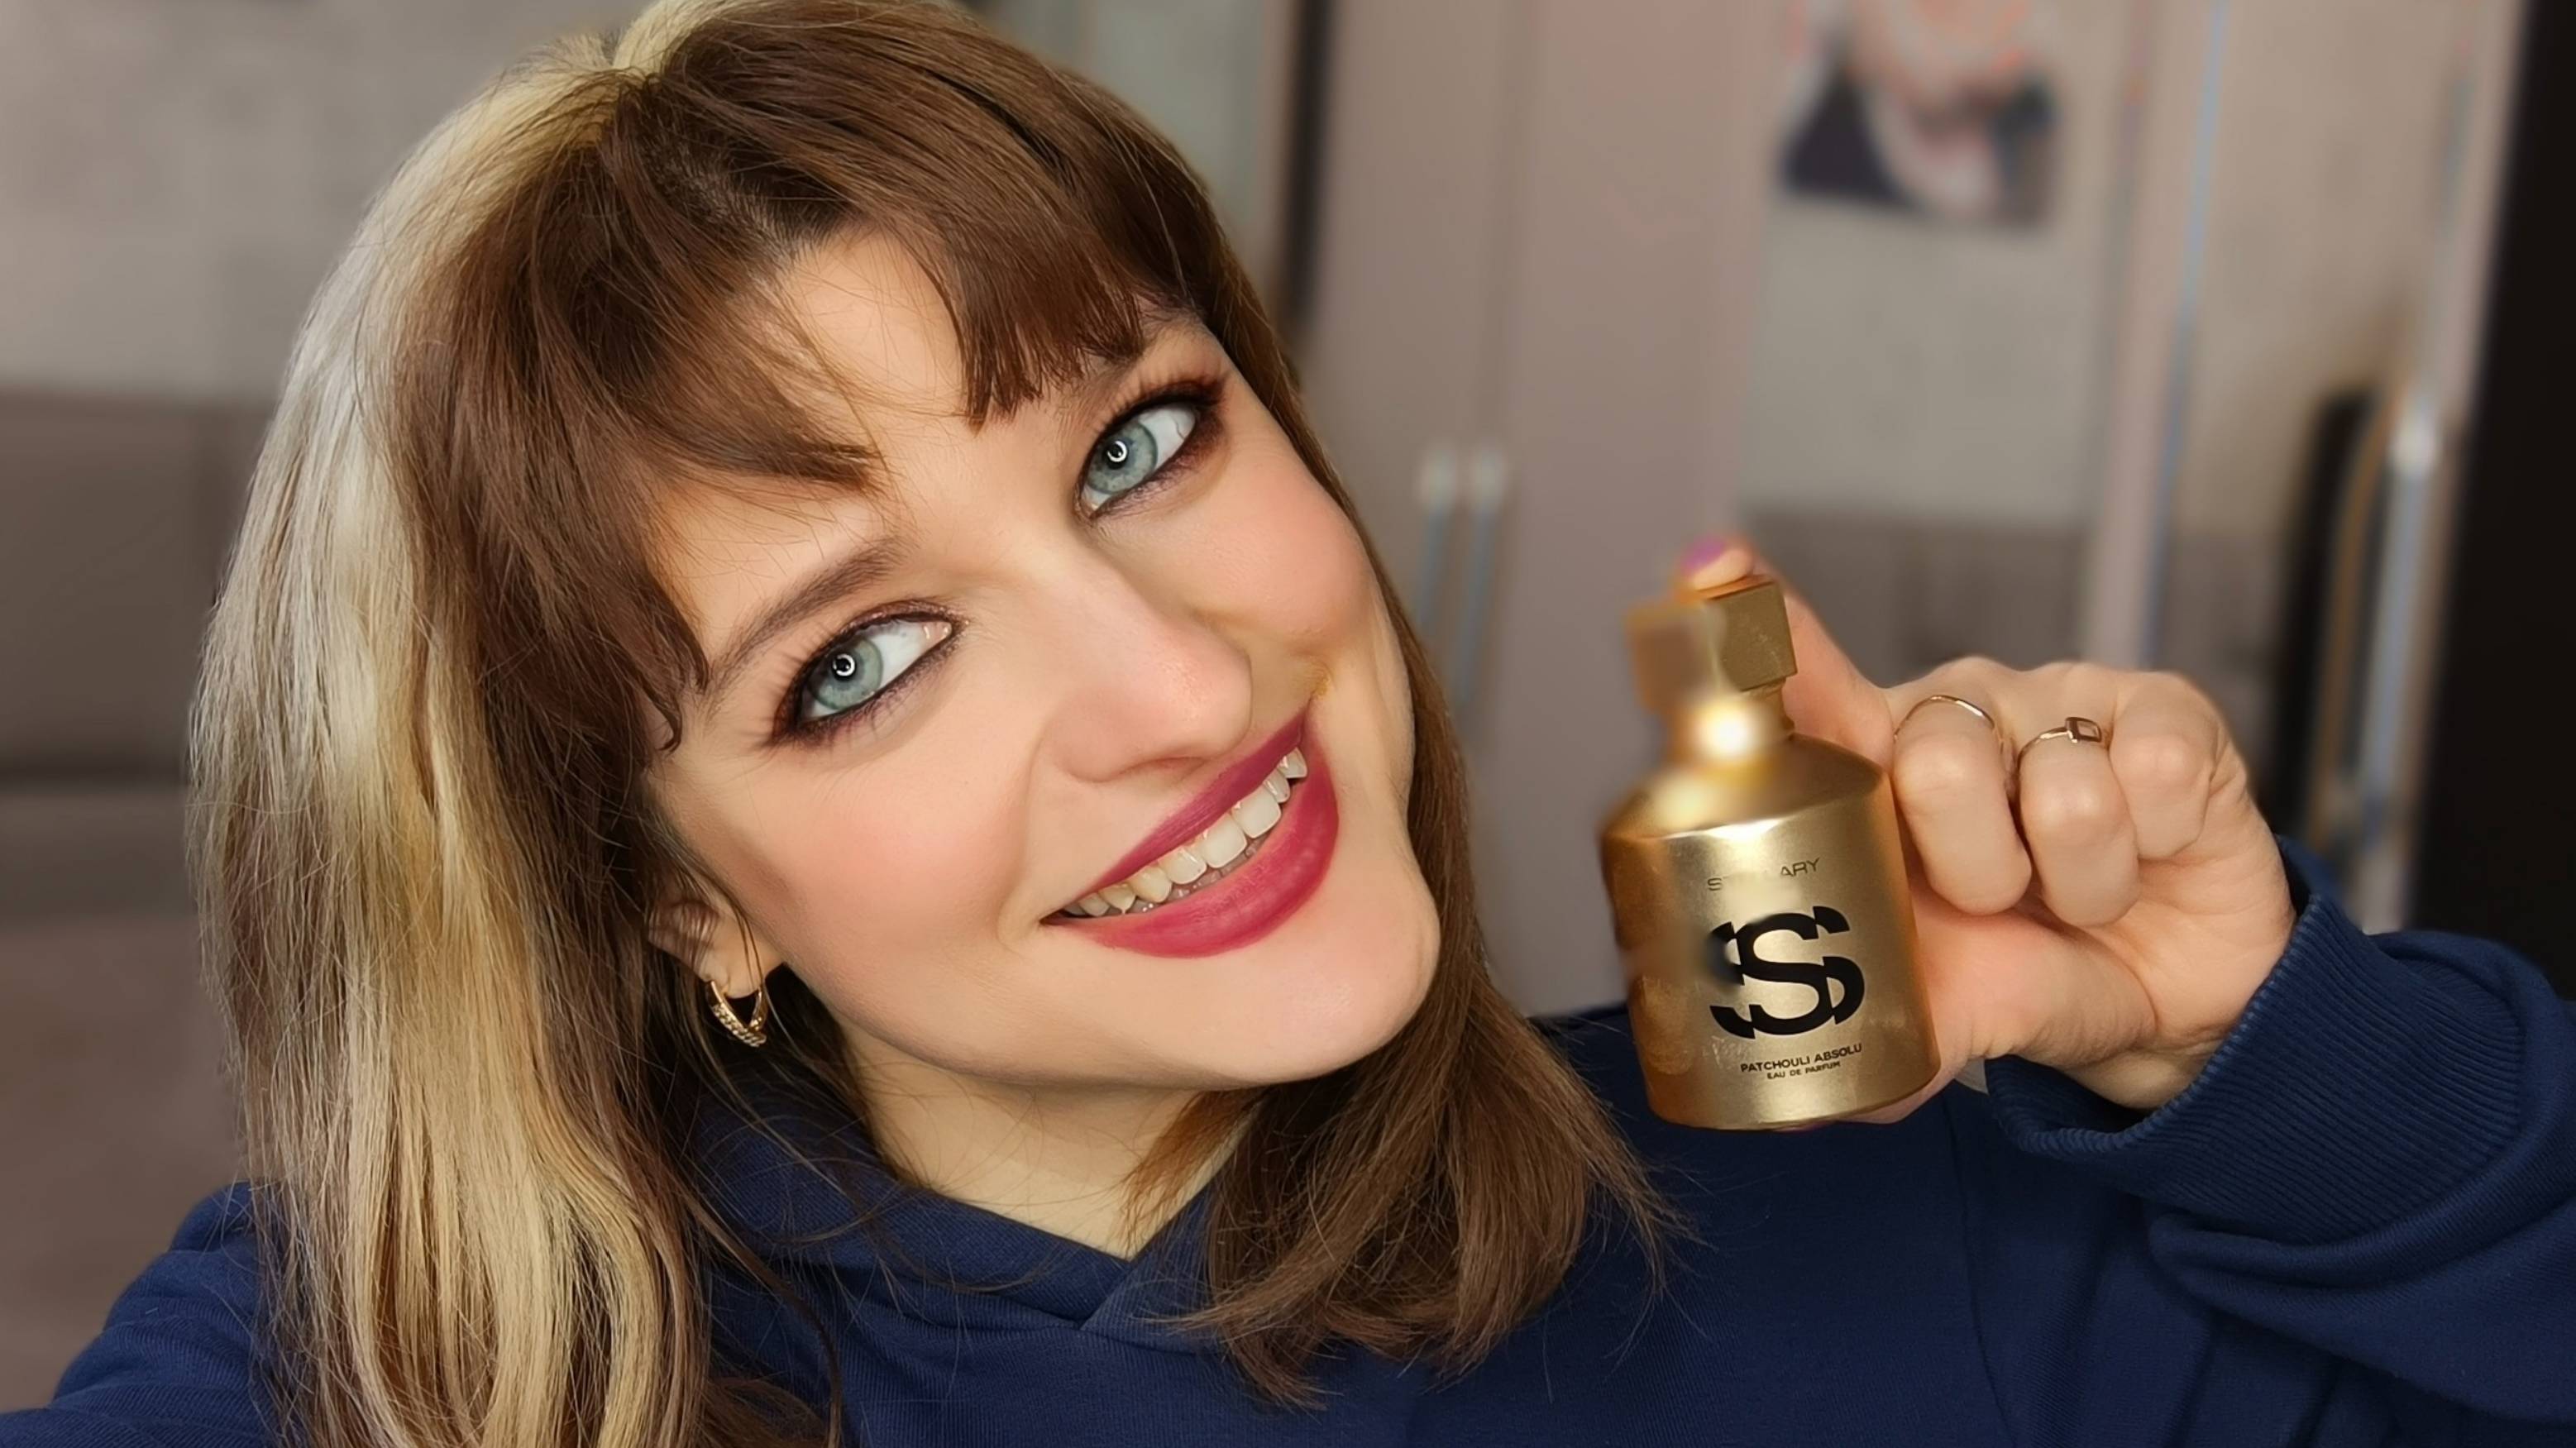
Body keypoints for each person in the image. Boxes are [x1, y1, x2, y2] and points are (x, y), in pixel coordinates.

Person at [6, 2, 2570, 1444]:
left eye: (1141, 443)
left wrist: (2286, 1061)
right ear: (671, 893)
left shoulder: (1890, 1217)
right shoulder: (411, 1361)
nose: (1181, 683)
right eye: (859, 661)